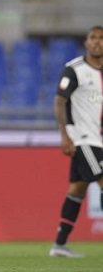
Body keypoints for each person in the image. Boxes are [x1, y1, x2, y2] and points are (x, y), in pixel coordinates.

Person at [49, 25, 103, 258]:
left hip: (98, 139)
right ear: (86, 42)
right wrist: (64, 134)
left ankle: (59, 245)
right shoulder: (74, 70)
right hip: (82, 138)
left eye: (101, 39)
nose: (97, 42)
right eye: (93, 38)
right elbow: (60, 102)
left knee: (77, 191)